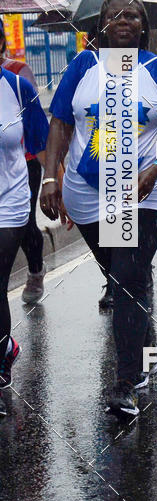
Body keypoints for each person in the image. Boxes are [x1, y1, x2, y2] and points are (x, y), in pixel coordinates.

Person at [40, 0, 157, 418]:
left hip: (146, 192)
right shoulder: (84, 66)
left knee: (126, 280)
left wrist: (156, 166)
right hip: (88, 193)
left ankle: (127, 383)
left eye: (134, 15)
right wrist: (50, 175)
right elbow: (62, 121)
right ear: (100, 24)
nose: (125, 21)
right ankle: (142, 330)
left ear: (143, 26)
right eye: (115, 15)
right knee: (120, 274)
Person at [0, 62, 49, 416]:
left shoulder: (18, 87)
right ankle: (6, 348)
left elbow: (42, 142)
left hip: (10, 201)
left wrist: (55, 183)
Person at [0, 20, 47, 304]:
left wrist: (56, 181)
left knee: (28, 222)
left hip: (24, 162)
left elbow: (39, 136)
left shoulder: (19, 76)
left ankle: (35, 269)